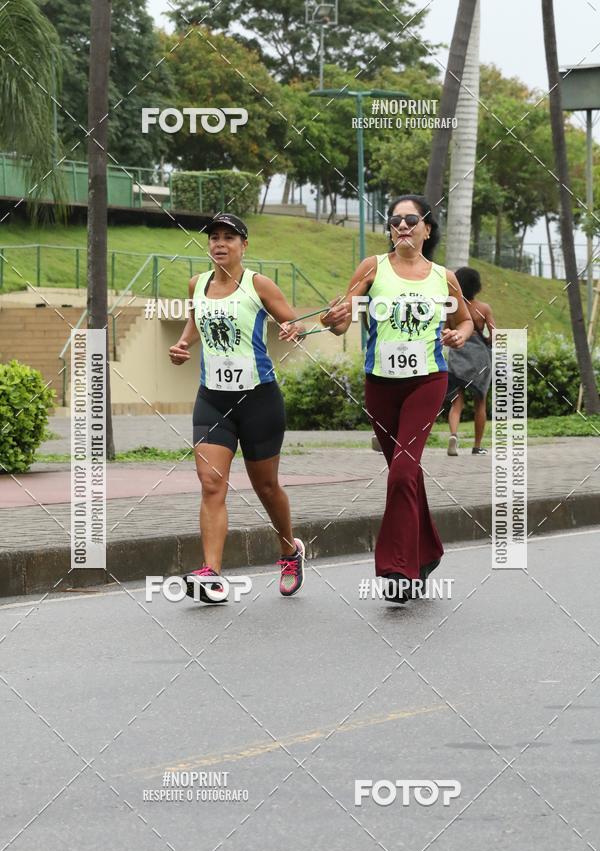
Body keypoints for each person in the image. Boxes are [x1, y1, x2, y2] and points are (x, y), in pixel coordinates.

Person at [317, 194, 473, 603]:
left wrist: (461, 334)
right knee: (407, 471)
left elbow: (466, 317)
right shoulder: (373, 267)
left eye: (411, 219)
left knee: (402, 472)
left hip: (427, 382)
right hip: (381, 384)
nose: (402, 225)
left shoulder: (444, 277)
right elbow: (342, 315)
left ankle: (399, 569)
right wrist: (332, 320)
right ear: (390, 230)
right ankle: (430, 551)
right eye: (395, 220)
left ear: (427, 229)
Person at [168, 213, 315, 603]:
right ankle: (212, 574)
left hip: (258, 398)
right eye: (214, 237)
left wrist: (291, 328)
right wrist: (183, 346)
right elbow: (196, 321)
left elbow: (293, 321)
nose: (219, 243)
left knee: (265, 486)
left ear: (243, 245)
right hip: (212, 399)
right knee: (211, 482)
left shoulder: (258, 284)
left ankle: (289, 552)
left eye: (228, 237)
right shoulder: (196, 284)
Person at [446, 266, 496, 456]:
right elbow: (494, 335)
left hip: (457, 356)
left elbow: (444, 330)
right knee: (480, 402)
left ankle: (453, 435)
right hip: (479, 360)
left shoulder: (451, 308)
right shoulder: (483, 308)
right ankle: (477, 445)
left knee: (456, 402)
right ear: (477, 286)